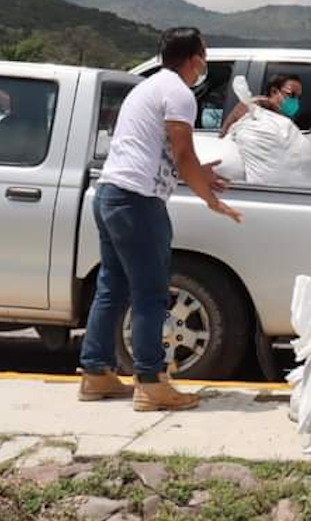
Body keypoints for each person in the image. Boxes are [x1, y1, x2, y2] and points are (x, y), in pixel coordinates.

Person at [77, 27, 241, 412]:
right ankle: (151, 382)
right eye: (203, 55)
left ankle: (95, 373)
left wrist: (202, 173)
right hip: (138, 201)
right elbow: (182, 154)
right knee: (150, 293)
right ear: (195, 58)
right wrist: (210, 199)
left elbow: (169, 153)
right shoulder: (180, 94)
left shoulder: (149, 87)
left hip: (111, 194)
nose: (204, 62)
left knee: (112, 286)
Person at [218, 73, 303, 136]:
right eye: (291, 95)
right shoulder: (254, 107)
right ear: (274, 91)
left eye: (298, 97)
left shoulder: (282, 117)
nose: (295, 100)